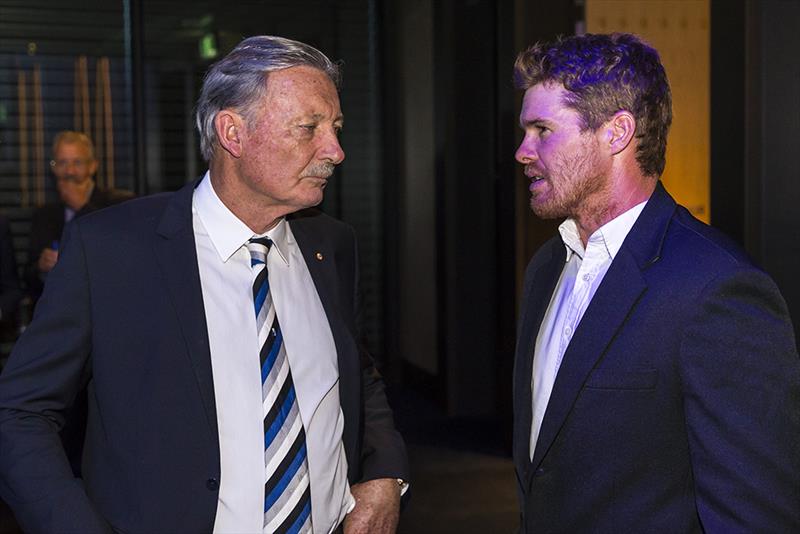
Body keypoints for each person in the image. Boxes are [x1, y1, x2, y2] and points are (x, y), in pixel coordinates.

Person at [0, 36, 409, 534]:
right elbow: (20, 414)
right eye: (309, 128)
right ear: (232, 133)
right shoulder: (110, 252)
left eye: (336, 128)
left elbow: (356, 373)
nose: (336, 151)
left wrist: (383, 470)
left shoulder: (332, 245)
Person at [512, 33, 799, 532]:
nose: (522, 151)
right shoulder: (545, 267)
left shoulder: (717, 288)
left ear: (617, 132)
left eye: (542, 129)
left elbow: (754, 513)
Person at [25, 130, 134, 300]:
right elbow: (28, 281)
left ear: (93, 166)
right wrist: (41, 268)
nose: (70, 171)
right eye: (62, 163)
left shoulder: (119, 203)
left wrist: (82, 206)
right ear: (53, 168)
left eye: (77, 162)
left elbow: (123, 261)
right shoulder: (43, 215)